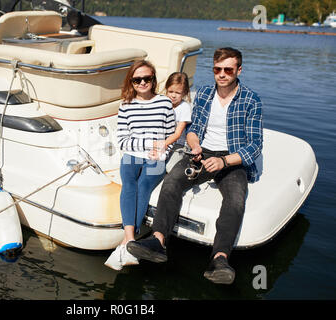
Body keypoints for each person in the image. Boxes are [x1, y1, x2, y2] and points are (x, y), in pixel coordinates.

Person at [127, 47, 263, 284]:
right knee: (171, 182)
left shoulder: (251, 99)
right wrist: (195, 145)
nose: (222, 74)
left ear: (238, 70)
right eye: (217, 69)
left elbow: (254, 146)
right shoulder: (205, 94)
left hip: (231, 156)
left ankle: (219, 259)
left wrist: (224, 161)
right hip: (202, 152)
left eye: (228, 69)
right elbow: (194, 130)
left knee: (235, 198)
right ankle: (158, 241)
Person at [104, 60, 176, 271]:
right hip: (132, 155)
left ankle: (127, 243)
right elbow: (123, 141)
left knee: (144, 185)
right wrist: (151, 143)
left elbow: (171, 135)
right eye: (137, 79)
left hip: (156, 157)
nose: (143, 82)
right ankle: (130, 238)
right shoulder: (125, 105)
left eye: (147, 78)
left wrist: (163, 151)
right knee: (129, 184)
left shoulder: (164, 103)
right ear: (131, 82)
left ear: (153, 80)